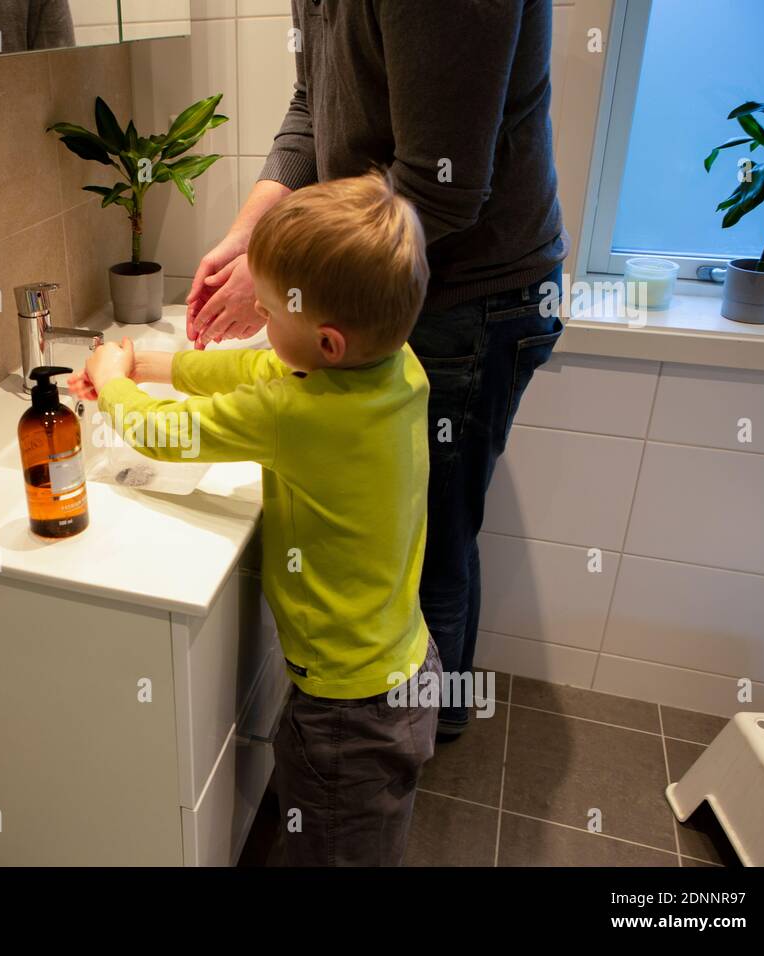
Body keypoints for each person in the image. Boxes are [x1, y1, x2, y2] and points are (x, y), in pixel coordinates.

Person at [186, 0, 569, 739]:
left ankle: (410, 747)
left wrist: (285, 281)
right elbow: (312, 109)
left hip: (466, 290)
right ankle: (435, 715)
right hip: (381, 289)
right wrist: (249, 237)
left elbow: (442, 185)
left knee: (430, 546)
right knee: (423, 532)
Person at [69, 171, 441, 865]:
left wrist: (113, 380)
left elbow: (167, 436)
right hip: (403, 668)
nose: (262, 326)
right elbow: (264, 371)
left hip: (345, 714)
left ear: (327, 343)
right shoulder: (397, 366)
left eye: (270, 312)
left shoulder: (299, 416)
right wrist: (150, 364)